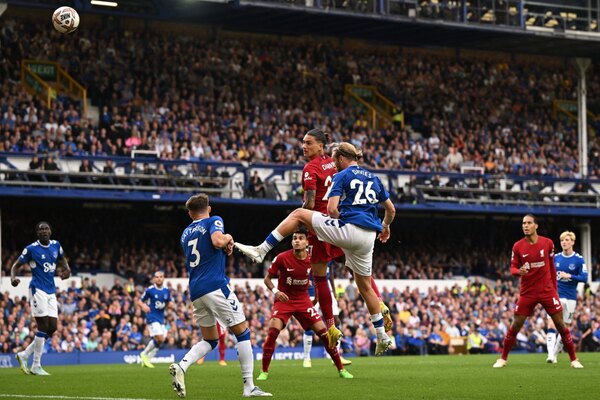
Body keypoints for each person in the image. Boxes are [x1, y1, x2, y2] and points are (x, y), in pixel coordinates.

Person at [236, 142, 396, 356]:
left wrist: (338, 226)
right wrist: (385, 227)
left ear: (339, 158)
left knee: (299, 214)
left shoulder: (342, 175)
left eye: (334, 159)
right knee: (365, 287)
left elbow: (330, 208)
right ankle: (382, 336)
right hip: (369, 237)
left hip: (349, 229)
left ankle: (261, 249)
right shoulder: (374, 178)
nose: (333, 164)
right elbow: (391, 209)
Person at [169, 193, 271, 398]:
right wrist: (228, 238)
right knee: (242, 332)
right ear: (209, 208)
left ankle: (182, 366)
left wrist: (225, 246)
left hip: (196, 290)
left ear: (189, 213)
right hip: (215, 285)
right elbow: (217, 241)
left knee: (211, 340)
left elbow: (209, 250)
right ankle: (249, 386)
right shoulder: (214, 220)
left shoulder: (185, 234)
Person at [300, 129, 392, 347]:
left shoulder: (310, 168)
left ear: (321, 146)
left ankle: (331, 327)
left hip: (324, 226)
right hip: (349, 224)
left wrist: (303, 220)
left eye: (308, 143)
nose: (304, 146)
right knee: (358, 273)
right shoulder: (336, 165)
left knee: (320, 276)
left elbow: (310, 204)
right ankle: (381, 304)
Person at [257, 228, 353, 381]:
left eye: (301, 238)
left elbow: (317, 278)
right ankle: (264, 371)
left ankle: (341, 369)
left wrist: (315, 297)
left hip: (303, 300)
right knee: (273, 332)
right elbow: (267, 279)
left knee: (324, 335)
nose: (296, 240)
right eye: (294, 238)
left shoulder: (313, 259)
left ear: (307, 242)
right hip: (284, 300)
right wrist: (276, 292)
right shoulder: (282, 258)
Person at [492, 215, 583, 369]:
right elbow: (513, 268)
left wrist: (554, 289)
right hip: (528, 292)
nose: (525, 226)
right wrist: (519, 271)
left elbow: (552, 268)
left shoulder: (547, 243)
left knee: (561, 324)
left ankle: (574, 360)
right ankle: (502, 358)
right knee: (516, 325)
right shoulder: (518, 246)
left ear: (536, 226)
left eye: (528, 223)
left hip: (547, 291)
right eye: (523, 223)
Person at [11, 222, 71, 375]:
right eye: (41, 229)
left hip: (51, 290)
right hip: (38, 289)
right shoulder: (31, 249)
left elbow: (62, 259)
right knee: (43, 326)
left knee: (53, 328)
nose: (44, 231)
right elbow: (16, 265)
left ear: (50, 231)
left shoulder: (56, 245)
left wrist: (67, 269)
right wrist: (12, 278)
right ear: (37, 233)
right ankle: (36, 365)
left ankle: (24, 355)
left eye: (46, 228)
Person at [545, 231, 588, 363]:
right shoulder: (555, 258)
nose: (564, 242)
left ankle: (555, 355)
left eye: (567, 240)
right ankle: (550, 355)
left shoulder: (579, 259)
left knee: (565, 329)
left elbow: (585, 278)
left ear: (572, 242)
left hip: (570, 297)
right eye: (562, 240)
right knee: (551, 324)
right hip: (556, 295)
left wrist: (570, 276)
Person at [303, 262, 352, 368]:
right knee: (310, 324)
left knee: (336, 320)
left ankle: (337, 356)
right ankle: (306, 357)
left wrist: (334, 290)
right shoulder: (309, 254)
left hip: (327, 291)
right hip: (311, 292)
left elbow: (331, 274)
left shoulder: (328, 254)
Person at [138, 270, 171, 368]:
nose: (159, 278)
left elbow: (168, 302)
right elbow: (139, 301)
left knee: (160, 340)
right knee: (160, 338)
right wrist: (143, 306)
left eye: (161, 277)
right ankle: (144, 354)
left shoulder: (166, 290)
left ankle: (146, 359)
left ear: (163, 278)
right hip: (152, 317)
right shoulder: (150, 290)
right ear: (154, 279)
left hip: (161, 318)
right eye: (157, 277)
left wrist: (170, 306)